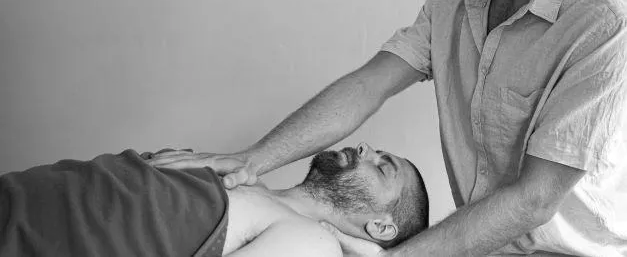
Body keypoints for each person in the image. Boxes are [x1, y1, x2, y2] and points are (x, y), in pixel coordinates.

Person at [149, 0, 627, 256]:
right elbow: (367, 86)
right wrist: (252, 160)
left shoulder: (601, 29)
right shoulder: (452, 1)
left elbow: (535, 199)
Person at [0, 143, 428, 257]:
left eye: (382, 167)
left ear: (381, 225)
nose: (366, 148)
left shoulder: (312, 244)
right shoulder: (246, 179)